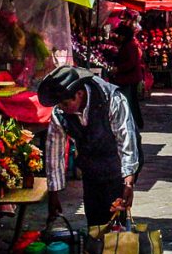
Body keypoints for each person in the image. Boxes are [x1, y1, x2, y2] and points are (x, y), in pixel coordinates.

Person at [38, 66, 140, 227]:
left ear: (79, 94)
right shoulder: (60, 113)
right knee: (94, 217)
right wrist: (53, 194)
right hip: (91, 168)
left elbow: (126, 140)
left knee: (115, 219)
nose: (62, 108)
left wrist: (128, 183)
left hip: (116, 166)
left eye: (66, 104)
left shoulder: (111, 99)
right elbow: (54, 152)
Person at [112, 24, 145, 130]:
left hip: (129, 78)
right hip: (130, 78)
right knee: (132, 101)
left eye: (120, 35)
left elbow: (131, 63)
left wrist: (119, 69)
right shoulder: (129, 45)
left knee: (129, 101)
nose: (119, 37)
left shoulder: (130, 46)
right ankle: (137, 122)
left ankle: (134, 122)